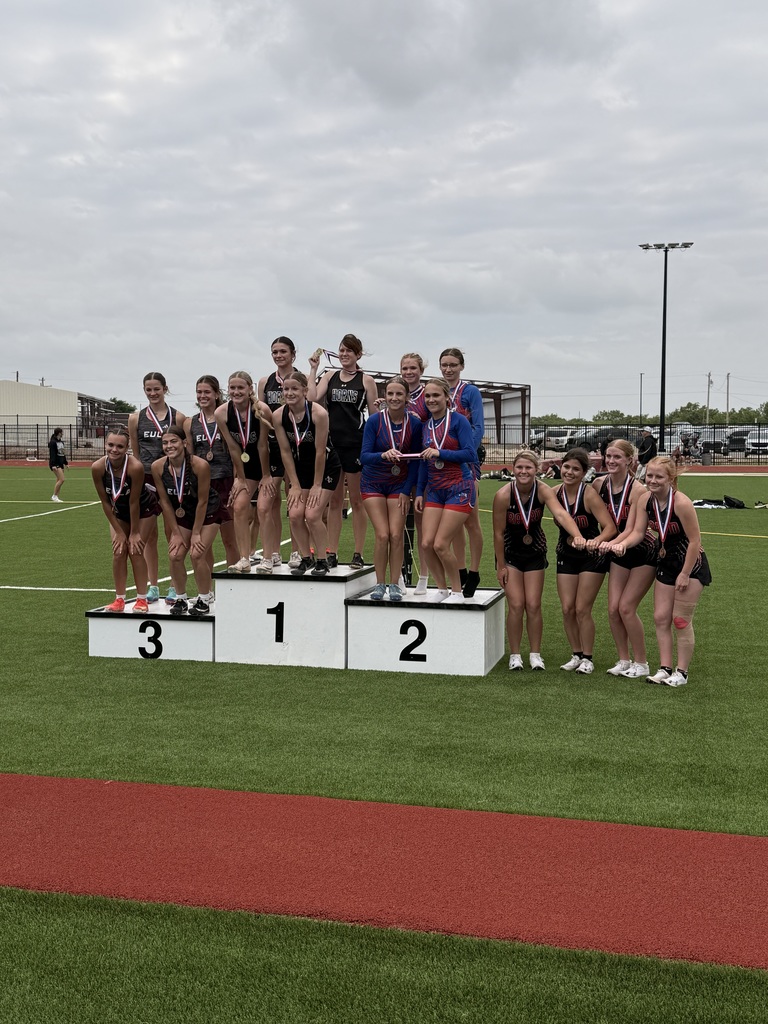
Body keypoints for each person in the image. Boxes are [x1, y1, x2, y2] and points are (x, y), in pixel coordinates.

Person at [604, 456, 711, 687]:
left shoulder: (681, 503)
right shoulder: (645, 500)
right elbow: (638, 532)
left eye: (659, 476)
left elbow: (695, 541)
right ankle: (665, 668)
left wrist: (684, 573)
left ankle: (681, 673)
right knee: (660, 618)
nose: (652, 480)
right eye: (649, 475)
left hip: (689, 565)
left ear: (670, 479)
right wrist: (622, 544)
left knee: (680, 620)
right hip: (665, 563)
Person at [492, 450, 586, 671]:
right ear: (513, 469)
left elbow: (561, 514)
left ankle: (535, 654)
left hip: (535, 553)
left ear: (537, 470)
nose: (523, 472)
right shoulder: (503, 495)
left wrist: (578, 535)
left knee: (533, 605)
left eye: (528, 468)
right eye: (519, 467)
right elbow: (497, 533)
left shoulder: (542, 490)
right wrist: (501, 565)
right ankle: (515, 655)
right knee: (516, 605)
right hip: (510, 556)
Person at [307, 334, 378, 568]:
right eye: (341, 351)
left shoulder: (366, 380)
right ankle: (332, 552)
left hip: (356, 445)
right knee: (335, 502)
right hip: (333, 445)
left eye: (349, 351)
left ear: (358, 354)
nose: (344, 354)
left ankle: (358, 553)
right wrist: (313, 370)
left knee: (357, 501)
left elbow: (375, 417)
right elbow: (312, 398)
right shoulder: (329, 376)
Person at [594, 439, 657, 679]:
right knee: (612, 610)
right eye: (608, 456)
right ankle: (623, 659)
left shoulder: (638, 489)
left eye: (617, 457)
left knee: (626, 608)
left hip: (640, 552)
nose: (611, 461)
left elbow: (634, 530)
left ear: (629, 460)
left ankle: (642, 663)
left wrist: (612, 544)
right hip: (616, 551)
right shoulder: (599, 484)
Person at [272, 370, 342, 576]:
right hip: (300, 469)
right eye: (286, 389)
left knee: (312, 515)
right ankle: (306, 558)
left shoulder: (318, 413)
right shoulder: (279, 415)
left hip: (325, 467)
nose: (290, 393)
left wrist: (317, 485)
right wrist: (293, 484)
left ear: (305, 390)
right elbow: (285, 451)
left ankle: (323, 560)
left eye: (295, 389)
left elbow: (320, 451)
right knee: (294, 515)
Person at [414, 378, 478, 603]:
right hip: (434, 490)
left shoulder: (458, 421)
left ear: (446, 397)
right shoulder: (425, 427)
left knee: (441, 544)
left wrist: (440, 453)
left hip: (459, 487)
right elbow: (423, 461)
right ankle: (441, 589)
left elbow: (471, 454)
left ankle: (457, 591)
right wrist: (420, 491)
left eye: (436, 395)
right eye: (428, 396)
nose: (431, 400)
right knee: (426, 543)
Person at [554, 449, 617, 675]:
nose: (570, 472)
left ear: (584, 473)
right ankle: (576, 653)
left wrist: (595, 541)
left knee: (582, 609)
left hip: (591, 558)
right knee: (567, 608)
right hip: (566, 555)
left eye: (576, 469)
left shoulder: (589, 495)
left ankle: (588, 658)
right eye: (567, 467)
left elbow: (610, 527)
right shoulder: (554, 493)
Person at [360, 376, 423, 601]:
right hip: (373, 483)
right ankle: (379, 584)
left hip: (399, 484)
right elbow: (364, 457)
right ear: (385, 396)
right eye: (390, 394)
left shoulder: (415, 424)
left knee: (397, 535)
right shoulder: (375, 421)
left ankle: (395, 583)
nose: (394, 398)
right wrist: (382, 455)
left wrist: (407, 490)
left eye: (399, 394)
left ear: (407, 397)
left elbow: (416, 460)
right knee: (383, 534)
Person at [151, 427, 223, 617]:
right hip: (182, 513)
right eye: (165, 442)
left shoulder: (200, 465)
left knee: (197, 554)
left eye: (173, 441)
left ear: (184, 443)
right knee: (175, 555)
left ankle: (205, 598)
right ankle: (181, 598)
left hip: (208, 511)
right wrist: (175, 532)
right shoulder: (157, 467)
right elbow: (165, 502)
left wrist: (196, 532)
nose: (169, 446)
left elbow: (203, 501)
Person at [128, 373, 185, 603]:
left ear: (165, 389)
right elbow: (136, 450)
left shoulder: (178, 417)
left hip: (172, 479)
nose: (152, 393)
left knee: (173, 533)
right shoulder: (136, 419)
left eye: (156, 389)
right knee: (149, 535)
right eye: (148, 390)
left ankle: (174, 585)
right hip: (147, 481)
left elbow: (182, 448)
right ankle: (153, 586)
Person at [214, 371, 273, 574]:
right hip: (245, 466)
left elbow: (263, 446)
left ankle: (267, 558)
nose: (236, 392)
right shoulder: (221, 413)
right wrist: (239, 477)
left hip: (268, 464)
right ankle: (244, 558)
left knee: (263, 509)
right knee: (239, 507)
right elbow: (233, 447)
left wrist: (266, 476)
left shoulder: (262, 410)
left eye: (241, 387)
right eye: (232, 388)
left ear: (250, 389)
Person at [91, 426, 155, 613]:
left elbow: (134, 502)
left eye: (120, 446)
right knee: (118, 551)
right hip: (119, 511)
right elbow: (104, 501)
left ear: (127, 447)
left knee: (135, 550)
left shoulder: (135, 467)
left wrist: (134, 533)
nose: (114, 450)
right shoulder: (97, 467)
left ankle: (141, 599)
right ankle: (119, 599)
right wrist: (119, 532)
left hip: (143, 510)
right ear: (105, 444)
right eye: (110, 445)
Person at [439, 348, 485, 597]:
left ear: (462, 366)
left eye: (453, 364)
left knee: (471, 521)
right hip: (443, 465)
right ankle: (461, 569)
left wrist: (467, 453)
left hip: (466, 463)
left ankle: (475, 572)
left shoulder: (470, 392)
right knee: (453, 523)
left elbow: (478, 426)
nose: (448, 369)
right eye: (444, 365)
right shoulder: (436, 390)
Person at [184, 375, 239, 571]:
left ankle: (234, 583)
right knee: (203, 543)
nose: (202, 396)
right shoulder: (190, 423)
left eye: (207, 392)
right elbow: (189, 458)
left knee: (229, 539)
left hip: (225, 481)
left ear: (217, 394)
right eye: (199, 392)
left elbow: (234, 453)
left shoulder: (226, 417)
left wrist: (236, 482)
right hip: (203, 487)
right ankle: (206, 586)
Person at [258, 336, 301, 568]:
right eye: (274, 352)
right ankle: (273, 551)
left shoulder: (299, 378)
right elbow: (261, 415)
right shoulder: (265, 382)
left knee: (293, 497)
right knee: (271, 501)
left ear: (293, 353)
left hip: (297, 444)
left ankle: (296, 551)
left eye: (283, 351)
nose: (278, 355)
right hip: (273, 444)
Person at [48, 428, 68, 502]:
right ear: (59, 433)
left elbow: (63, 453)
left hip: (60, 463)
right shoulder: (53, 442)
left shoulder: (61, 442)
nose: (63, 434)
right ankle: (54, 496)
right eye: (62, 432)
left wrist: (65, 463)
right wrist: (53, 465)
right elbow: (52, 454)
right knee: (62, 479)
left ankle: (56, 496)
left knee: (58, 479)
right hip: (55, 463)